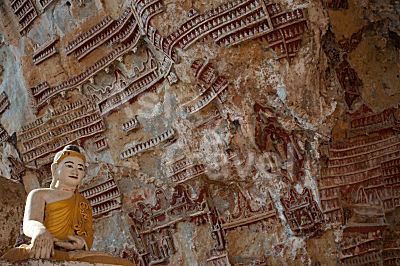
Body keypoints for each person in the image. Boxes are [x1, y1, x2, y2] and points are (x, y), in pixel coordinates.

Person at [2, 145, 134, 265]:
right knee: (15, 255)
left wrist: (81, 243)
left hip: (72, 253)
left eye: (80, 168)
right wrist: (40, 231)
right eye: (69, 166)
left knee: (124, 264)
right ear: (55, 169)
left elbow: (87, 234)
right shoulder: (39, 194)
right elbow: (30, 221)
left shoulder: (83, 203)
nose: (75, 171)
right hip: (44, 248)